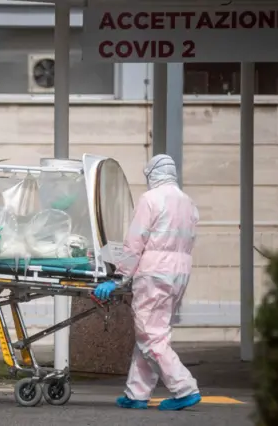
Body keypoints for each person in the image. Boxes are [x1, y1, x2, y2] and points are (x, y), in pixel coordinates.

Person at [94, 154, 201, 411]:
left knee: (150, 335)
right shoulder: (188, 203)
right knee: (152, 332)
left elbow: (135, 241)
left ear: (152, 174)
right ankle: (136, 394)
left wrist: (119, 276)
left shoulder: (150, 200)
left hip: (154, 273)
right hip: (179, 274)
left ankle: (185, 388)